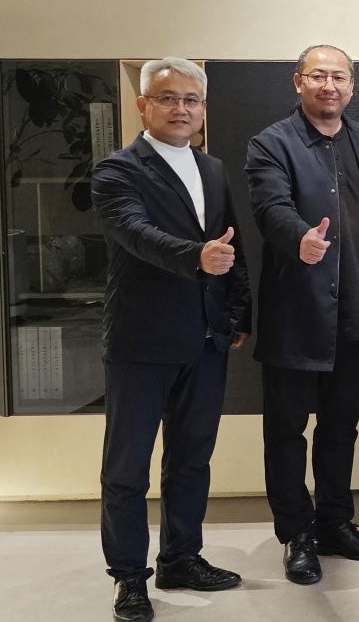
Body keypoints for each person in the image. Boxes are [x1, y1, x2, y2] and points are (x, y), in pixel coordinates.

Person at [91, 57, 251, 621]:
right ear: (143, 105)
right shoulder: (116, 171)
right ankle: (129, 578)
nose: (180, 108)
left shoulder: (212, 168)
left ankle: (181, 558)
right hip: (140, 341)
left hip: (205, 340)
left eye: (191, 99)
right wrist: (195, 257)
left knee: (191, 460)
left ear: (202, 108)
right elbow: (135, 234)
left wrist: (237, 313)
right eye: (167, 98)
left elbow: (232, 244)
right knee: (127, 469)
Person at [246, 45, 359, 585]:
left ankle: (335, 522)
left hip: (358, 313)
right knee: (286, 432)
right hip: (298, 314)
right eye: (318, 76)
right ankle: (297, 534)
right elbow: (270, 208)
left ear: (352, 86)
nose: (329, 85)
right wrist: (300, 238)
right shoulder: (271, 143)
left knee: (340, 430)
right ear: (298, 82)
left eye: (339, 77)